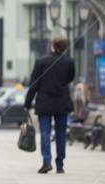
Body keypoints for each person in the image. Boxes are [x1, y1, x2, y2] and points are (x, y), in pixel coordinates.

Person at [24, 35, 76, 174]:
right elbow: (70, 79)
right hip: (62, 101)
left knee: (45, 132)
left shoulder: (41, 61)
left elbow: (34, 84)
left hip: (45, 102)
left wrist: (27, 103)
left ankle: (46, 161)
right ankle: (60, 164)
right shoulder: (69, 62)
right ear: (65, 47)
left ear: (52, 45)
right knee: (61, 134)